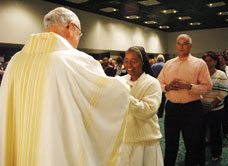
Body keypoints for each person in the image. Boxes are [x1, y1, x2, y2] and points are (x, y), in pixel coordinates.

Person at [0, 7, 130, 166]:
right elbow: (107, 95)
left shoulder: (15, 60)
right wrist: (126, 83)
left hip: (19, 146)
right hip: (52, 149)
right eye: (79, 33)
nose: (78, 39)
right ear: (71, 27)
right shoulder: (73, 60)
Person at [158, 34, 212, 166]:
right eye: (179, 43)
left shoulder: (199, 64)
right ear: (176, 45)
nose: (181, 46)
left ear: (190, 46)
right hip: (172, 108)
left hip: (192, 108)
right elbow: (157, 84)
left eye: (185, 43)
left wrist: (189, 86)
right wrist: (168, 87)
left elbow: (207, 87)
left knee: (192, 144)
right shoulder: (168, 64)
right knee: (170, 144)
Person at [118, 46, 163, 166]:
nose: (129, 65)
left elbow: (147, 111)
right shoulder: (120, 81)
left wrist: (125, 95)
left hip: (145, 142)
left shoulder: (152, 83)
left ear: (142, 63)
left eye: (134, 61)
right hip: (124, 140)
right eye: (126, 61)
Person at [202, 51, 228, 162]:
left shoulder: (221, 75)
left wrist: (211, 106)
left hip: (216, 109)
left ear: (215, 62)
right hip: (202, 109)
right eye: (206, 61)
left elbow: (223, 93)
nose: (208, 63)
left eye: (210, 61)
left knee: (215, 133)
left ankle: (216, 153)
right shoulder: (202, 75)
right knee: (201, 132)